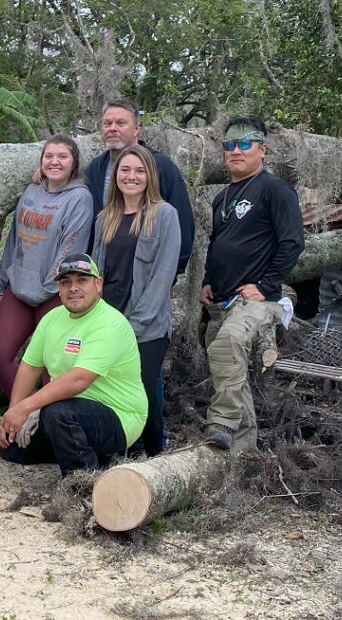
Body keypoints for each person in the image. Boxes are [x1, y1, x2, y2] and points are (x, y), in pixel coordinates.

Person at [200, 117, 304, 451]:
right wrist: (206, 282)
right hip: (222, 302)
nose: (235, 151)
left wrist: (265, 284)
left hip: (259, 301)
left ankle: (221, 422)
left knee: (227, 344)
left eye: (245, 144)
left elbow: (292, 242)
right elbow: (219, 245)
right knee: (230, 370)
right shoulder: (222, 197)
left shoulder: (275, 190)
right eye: (229, 145)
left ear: (263, 149)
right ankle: (242, 452)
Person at [0, 254, 147, 476]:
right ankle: (92, 452)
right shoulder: (52, 318)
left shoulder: (109, 323)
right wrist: (13, 415)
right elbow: (29, 367)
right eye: (66, 282)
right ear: (59, 288)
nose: (73, 288)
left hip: (119, 416)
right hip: (72, 410)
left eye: (82, 280)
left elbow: (79, 379)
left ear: (98, 284)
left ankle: (81, 483)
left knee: (58, 413)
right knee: (12, 448)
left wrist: (26, 408)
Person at [0, 134, 93, 396]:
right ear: (41, 161)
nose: (54, 162)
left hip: (54, 293)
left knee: (51, 365)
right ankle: (25, 411)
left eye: (62, 156)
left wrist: (49, 287)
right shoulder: (32, 190)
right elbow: (15, 240)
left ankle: (48, 424)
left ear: (74, 163)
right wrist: (1, 282)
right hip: (19, 288)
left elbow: (72, 247)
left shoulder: (80, 198)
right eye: (49, 156)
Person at [92, 144, 181, 457]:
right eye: (125, 170)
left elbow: (163, 276)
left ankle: (156, 449)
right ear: (116, 176)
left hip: (147, 324)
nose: (131, 176)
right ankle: (123, 448)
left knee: (143, 386)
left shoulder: (164, 215)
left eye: (139, 171)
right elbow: (97, 273)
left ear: (150, 176)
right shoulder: (106, 218)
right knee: (110, 388)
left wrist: (136, 323)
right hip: (109, 317)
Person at [84, 98, 194, 273]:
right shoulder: (96, 168)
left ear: (136, 129)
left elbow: (182, 224)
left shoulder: (162, 168)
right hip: (103, 271)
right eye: (107, 123)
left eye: (121, 123)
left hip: (146, 270)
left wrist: (172, 274)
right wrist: (43, 176)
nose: (113, 128)